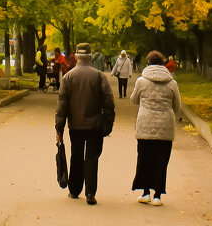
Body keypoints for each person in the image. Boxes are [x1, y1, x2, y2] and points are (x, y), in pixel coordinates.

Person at [54, 42, 115, 205]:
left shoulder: (68, 77)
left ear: (76, 57)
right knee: (92, 158)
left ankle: (74, 190)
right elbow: (109, 101)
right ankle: (90, 193)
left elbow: (62, 106)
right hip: (95, 126)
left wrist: (59, 128)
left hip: (76, 126)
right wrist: (108, 123)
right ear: (90, 57)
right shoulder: (99, 76)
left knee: (77, 156)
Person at [130, 50, 182, 206]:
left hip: (145, 125)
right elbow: (177, 106)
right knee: (161, 161)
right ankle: (158, 195)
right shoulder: (172, 83)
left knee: (144, 159)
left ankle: (145, 192)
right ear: (163, 64)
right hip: (165, 126)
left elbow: (133, 100)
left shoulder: (141, 81)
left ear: (148, 63)